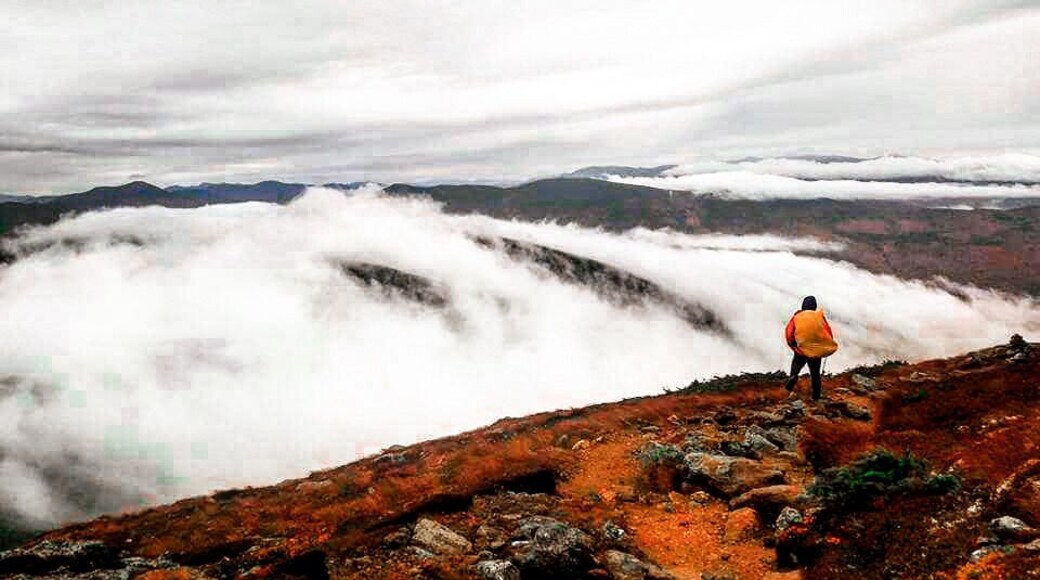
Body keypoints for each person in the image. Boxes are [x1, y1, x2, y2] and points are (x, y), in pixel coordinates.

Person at [783, 296, 838, 400]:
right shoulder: (819, 316)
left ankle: (792, 379)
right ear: (814, 306)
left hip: (801, 350)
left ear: (803, 305)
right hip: (816, 352)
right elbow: (828, 332)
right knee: (815, 374)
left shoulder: (797, 317)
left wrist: (794, 346)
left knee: (795, 367)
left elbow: (789, 333)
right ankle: (816, 396)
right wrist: (825, 345)